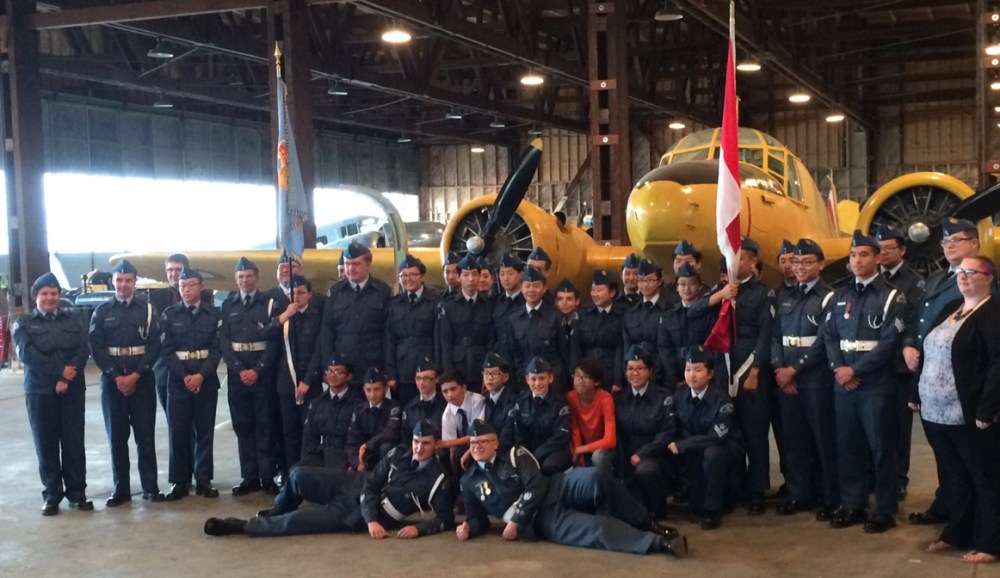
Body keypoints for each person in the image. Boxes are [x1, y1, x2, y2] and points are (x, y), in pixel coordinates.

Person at [456, 419, 686, 558]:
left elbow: (535, 485)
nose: (477, 447)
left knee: (597, 476)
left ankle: (646, 522)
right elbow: (479, 519)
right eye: (473, 443)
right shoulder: (469, 481)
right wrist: (469, 528)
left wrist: (515, 520)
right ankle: (658, 544)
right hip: (541, 519)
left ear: (495, 443)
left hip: (555, 487)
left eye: (483, 441)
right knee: (596, 529)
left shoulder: (516, 454)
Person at [204, 419, 454, 539]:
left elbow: (445, 519)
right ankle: (276, 509)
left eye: (426, 444)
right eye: (416, 442)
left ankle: (241, 525)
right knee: (299, 475)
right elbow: (372, 484)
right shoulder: (398, 453)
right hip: (356, 487)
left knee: (295, 523)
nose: (419, 448)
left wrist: (418, 529)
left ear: (438, 445)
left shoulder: (438, 478)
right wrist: (371, 520)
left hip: (362, 514)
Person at [911, 256, 1000, 564]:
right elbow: (929, 353)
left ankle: (990, 542)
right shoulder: (952, 310)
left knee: (985, 478)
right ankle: (957, 532)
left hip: (969, 414)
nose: (962, 277)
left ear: (988, 277)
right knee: (955, 477)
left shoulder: (993, 313)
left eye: (971, 272)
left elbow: (996, 365)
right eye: (960, 272)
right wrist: (915, 392)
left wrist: (987, 409)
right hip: (936, 413)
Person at [823, 230, 906, 533]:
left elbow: (887, 345)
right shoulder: (840, 295)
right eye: (853, 255)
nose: (857, 260)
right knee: (848, 446)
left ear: (877, 257)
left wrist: (854, 371)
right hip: (842, 384)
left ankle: (884, 509)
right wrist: (838, 370)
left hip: (875, 384)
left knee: (881, 448)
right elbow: (829, 337)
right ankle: (853, 504)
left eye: (864, 255)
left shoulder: (891, 297)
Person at [903, 218, 980, 525]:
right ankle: (947, 503)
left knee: (965, 454)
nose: (949, 246)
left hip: (956, 377)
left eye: (957, 241)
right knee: (943, 451)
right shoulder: (936, 278)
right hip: (927, 372)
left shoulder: (980, 279)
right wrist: (908, 344)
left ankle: (966, 512)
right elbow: (918, 318)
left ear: (975, 243)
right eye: (946, 243)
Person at [699, 236, 774, 515]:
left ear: (752, 262)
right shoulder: (721, 291)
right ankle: (734, 488)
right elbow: (695, 313)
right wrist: (720, 295)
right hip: (722, 372)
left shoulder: (763, 293)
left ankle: (757, 492)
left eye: (740, 258)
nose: (734, 262)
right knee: (728, 434)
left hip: (750, 372)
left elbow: (765, 335)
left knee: (754, 435)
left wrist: (755, 371)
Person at [13, 272, 93, 516]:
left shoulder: (74, 319)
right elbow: (28, 355)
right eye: (45, 294)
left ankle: (77, 494)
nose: (50, 298)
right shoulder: (23, 323)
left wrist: (67, 377)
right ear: (35, 296)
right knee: (46, 444)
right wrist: (61, 372)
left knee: (73, 443)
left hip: (72, 390)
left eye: (54, 293)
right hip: (40, 392)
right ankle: (51, 496)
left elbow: (83, 348)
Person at [770, 239, 839, 520]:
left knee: (823, 440)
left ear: (821, 265)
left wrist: (793, 370)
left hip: (815, 380)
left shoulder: (828, 298)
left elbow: (824, 341)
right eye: (796, 262)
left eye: (806, 262)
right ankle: (800, 494)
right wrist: (779, 369)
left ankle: (830, 497)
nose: (799, 268)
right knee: (794, 442)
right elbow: (776, 337)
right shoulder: (786, 298)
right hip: (787, 381)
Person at [88, 259, 164, 506]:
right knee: (117, 438)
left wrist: (135, 376)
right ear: (113, 281)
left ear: (135, 282)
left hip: (141, 381)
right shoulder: (101, 312)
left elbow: (154, 346)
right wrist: (117, 377)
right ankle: (121, 489)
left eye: (128, 280)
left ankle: (150, 487)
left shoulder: (148, 310)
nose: (123, 284)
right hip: (113, 384)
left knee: (145, 436)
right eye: (119, 280)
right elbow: (96, 348)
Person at [160, 268, 223, 501]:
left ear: (201, 287)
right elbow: (166, 351)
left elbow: (217, 350)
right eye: (183, 285)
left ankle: (203, 479)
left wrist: (200, 376)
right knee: (178, 431)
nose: (186, 289)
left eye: (191, 285)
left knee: (204, 431)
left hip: (205, 380)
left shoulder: (213, 315)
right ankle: (180, 481)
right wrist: (185, 376)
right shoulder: (169, 315)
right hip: (178, 382)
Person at [220, 257, 281, 496]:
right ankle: (249, 476)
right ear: (236, 280)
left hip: (262, 374)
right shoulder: (228, 305)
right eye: (240, 277)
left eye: (248, 276)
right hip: (238, 375)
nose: (245, 281)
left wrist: (257, 370)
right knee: (243, 426)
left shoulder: (269, 304)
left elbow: (274, 341)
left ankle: (267, 476)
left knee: (265, 426)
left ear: (256, 277)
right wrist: (239, 369)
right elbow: (224, 341)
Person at [876, 224, 926, 499]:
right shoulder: (872, 280)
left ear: (903, 250)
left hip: (898, 365)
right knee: (875, 424)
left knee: (899, 426)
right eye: (879, 249)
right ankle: (877, 475)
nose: (882, 253)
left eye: (889, 249)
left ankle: (898, 478)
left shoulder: (914, 282)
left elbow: (912, 321)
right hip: (873, 367)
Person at [669, 346, 742, 530]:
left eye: (697, 370)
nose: (691, 375)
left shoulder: (722, 400)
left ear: (710, 374)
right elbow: (678, 427)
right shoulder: (679, 396)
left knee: (713, 453)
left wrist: (686, 444)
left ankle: (713, 511)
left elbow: (717, 437)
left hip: (723, 449)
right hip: (694, 448)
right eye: (688, 370)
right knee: (695, 507)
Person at [613, 345, 674, 520]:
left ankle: (660, 512)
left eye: (640, 368)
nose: (635, 373)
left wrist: (642, 453)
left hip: (656, 457)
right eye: (630, 369)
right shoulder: (619, 399)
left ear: (650, 371)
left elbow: (667, 433)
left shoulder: (663, 397)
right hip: (628, 459)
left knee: (646, 470)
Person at [321, 242, 392, 388]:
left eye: (356, 264)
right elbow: (327, 333)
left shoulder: (382, 291)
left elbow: (388, 333)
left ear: (368, 264)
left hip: (373, 364)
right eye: (347, 264)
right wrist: (326, 367)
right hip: (342, 367)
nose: (350, 268)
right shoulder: (335, 292)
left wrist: (388, 369)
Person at [272, 274, 324, 472]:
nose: (296, 296)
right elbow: (266, 334)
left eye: (301, 292)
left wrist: (308, 381)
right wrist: (283, 317)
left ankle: (307, 471)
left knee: (309, 431)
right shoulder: (284, 317)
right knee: (289, 432)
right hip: (286, 384)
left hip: (310, 384)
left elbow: (319, 351)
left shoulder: (317, 317)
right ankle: (289, 472)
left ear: (309, 295)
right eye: (293, 293)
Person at [148, 253, 212, 412]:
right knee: (175, 426)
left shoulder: (204, 296)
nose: (173, 274)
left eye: (178, 269)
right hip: (164, 370)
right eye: (170, 270)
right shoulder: (155, 298)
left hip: (196, 371)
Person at [502, 357, 573, 475]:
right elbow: (520, 435)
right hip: (529, 451)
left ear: (550, 378)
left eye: (542, 378)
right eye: (533, 379)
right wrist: (525, 455)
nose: (537, 383)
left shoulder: (560, 403)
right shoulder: (521, 402)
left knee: (548, 466)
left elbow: (560, 438)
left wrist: (536, 455)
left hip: (554, 451)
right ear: (527, 380)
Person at [384, 254, 439, 406]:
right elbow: (390, 339)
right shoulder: (395, 304)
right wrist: (391, 374)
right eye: (404, 275)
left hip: (428, 368)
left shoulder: (434, 302)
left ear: (423, 277)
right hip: (403, 370)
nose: (408, 279)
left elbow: (439, 339)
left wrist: (439, 371)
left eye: (413, 275)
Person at [507, 266, 571, 393]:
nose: (531, 290)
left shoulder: (555, 316)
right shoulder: (514, 318)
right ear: (521, 288)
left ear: (544, 288)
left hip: (553, 380)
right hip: (526, 380)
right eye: (527, 286)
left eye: (536, 286)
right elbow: (514, 353)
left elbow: (565, 352)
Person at [298, 352, 363, 470]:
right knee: (298, 472)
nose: (332, 376)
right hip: (322, 455)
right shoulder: (317, 403)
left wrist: (354, 463)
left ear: (349, 376)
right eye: (329, 371)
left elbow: (359, 439)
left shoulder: (358, 403)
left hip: (345, 457)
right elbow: (309, 439)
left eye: (338, 372)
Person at [438, 255, 494, 391]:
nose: (471, 279)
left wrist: (490, 373)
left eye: (475, 274)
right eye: (466, 275)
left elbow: (492, 341)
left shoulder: (488, 305)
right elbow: (445, 342)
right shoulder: (449, 306)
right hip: (458, 366)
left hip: (480, 366)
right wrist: (448, 375)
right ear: (459, 277)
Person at [658, 263, 716, 392]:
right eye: (682, 284)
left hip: (702, 376)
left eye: (692, 283)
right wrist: (675, 378)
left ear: (700, 286)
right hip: (674, 377)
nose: (687, 288)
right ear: (677, 288)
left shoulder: (708, 314)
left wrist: (699, 374)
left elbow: (712, 345)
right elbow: (664, 348)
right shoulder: (668, 315)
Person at [571, 269, 624, 393]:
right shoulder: (582, 315)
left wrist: (618, 380)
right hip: (586, 376)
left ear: (612, 292)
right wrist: (575, 376)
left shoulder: (621, 316)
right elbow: (575, 348)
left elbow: (621, 350)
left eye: (599, 290)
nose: (595, 294)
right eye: (593, 290)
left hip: (610, 375)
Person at [623, 259, 670, 383]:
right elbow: (626, 346)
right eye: (641, 280)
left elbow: (667, 347)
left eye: (650, 280)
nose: (645, 285)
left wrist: (655, 372)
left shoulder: (669, 310)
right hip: (636, 374)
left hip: (663, 374)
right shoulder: (631, 313)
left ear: (659, 282)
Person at [345, 368, 401, 472]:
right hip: (365, 459)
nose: (372, 394)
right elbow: (352, 441)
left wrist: (367, 445)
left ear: (385, 389)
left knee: (386, 446)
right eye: (368, 390)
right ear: (363, 389)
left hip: (384, 458)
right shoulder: (359, 411)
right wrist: (357, 463)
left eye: (376, 389)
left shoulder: (393, 407)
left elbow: (391, 433)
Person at [567, 358, 616, 469]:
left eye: (586, 377)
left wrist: (581, 449)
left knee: (598, 457)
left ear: (596, 382)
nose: (580, 380)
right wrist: (579, 454)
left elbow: (610, 440)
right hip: (582, 447)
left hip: (603, 448)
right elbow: (575, 428)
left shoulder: (605, 399)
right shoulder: (570, 397)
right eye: (577, 375)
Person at [438, 369, 487, 473]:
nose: (449, 395)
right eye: (445, 391)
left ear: (464, 388)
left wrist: (443, 444)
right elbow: (452, 447)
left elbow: (477, 434)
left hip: (482, 441)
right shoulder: (447, 414)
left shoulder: (477, 401)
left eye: (453, 389)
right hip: (463, 447)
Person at [491, 253, 525, 366]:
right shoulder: (497, 302)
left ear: (521, 274)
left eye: (510, 273)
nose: (505, 278)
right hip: (500, 359)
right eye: (502, 274)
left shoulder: (527, 302)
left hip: (520, 359)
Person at [400, 356, 446, 438]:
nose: (421, 383)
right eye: (418, 378)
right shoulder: (409, 407)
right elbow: (405, 437)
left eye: (426, 378)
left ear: (436, 379)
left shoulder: (445, 405)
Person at [663, 240, 711, 308]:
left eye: (688, 261)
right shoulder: (664, 293)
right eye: (678, 261)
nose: (683, 265)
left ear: (698, 264)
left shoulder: (707, 293)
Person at [482, 352, 517, 433]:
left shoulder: (512, 401)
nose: (489, 378)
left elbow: (507, 435)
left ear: (505, 377)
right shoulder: (482, 400)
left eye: (494, 373)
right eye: (486, 373)